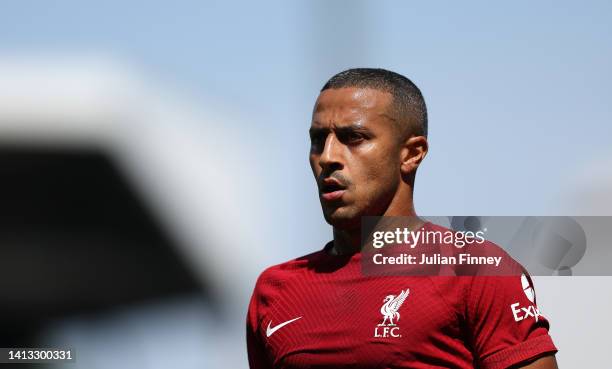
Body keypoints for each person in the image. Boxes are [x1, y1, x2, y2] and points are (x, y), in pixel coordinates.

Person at [246, 68, 558, 368]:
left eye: (353, 137)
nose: (327, 157)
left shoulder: (475, 272)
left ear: (411, 154)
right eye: (317, 139)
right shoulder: (274, 291)